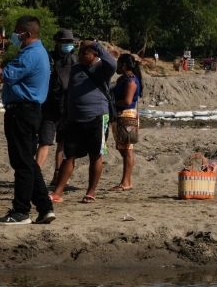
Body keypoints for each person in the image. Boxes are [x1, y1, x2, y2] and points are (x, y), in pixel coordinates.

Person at [0, 16, 55, 225]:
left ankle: (21, 210)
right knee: (27, 161)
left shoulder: (31, 54)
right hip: (26, 111)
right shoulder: (35, 52)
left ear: (27, 34)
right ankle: (44, 207)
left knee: (22, 163)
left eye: (17, 32)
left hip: (23, 112)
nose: (14, 36)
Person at [49, 41, 116, 204]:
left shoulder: (102, 68)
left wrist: (95, 44)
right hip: (74, 119)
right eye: (79, 53)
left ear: (94, 54)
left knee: (96, 155)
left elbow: (113, 63)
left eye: (84, 53)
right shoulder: (76, 69)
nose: (80, 56)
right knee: (68, 156)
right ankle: (58, 192)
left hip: (97, 117)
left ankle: (91, 192)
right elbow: (70, 91)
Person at [37, 29, 76, 186]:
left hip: (67, 109)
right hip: (49, 107)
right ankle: (36, 175)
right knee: (45, 142)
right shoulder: (48, 58)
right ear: (57, 42)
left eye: (69, 42)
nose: (67, 44)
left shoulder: (74, 60)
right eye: (64, 42)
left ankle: (57, 176)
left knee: (63, 144)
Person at [110, 53, 142, 191]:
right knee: (124, 149)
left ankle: (126, 182)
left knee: (127, 150)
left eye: (119, 63)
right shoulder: (123, 79)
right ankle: (126, 181)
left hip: (126, 116)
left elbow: (128, 101)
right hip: (121, 116)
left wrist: (112, 102)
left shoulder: (130, 81)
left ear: (124, 65)